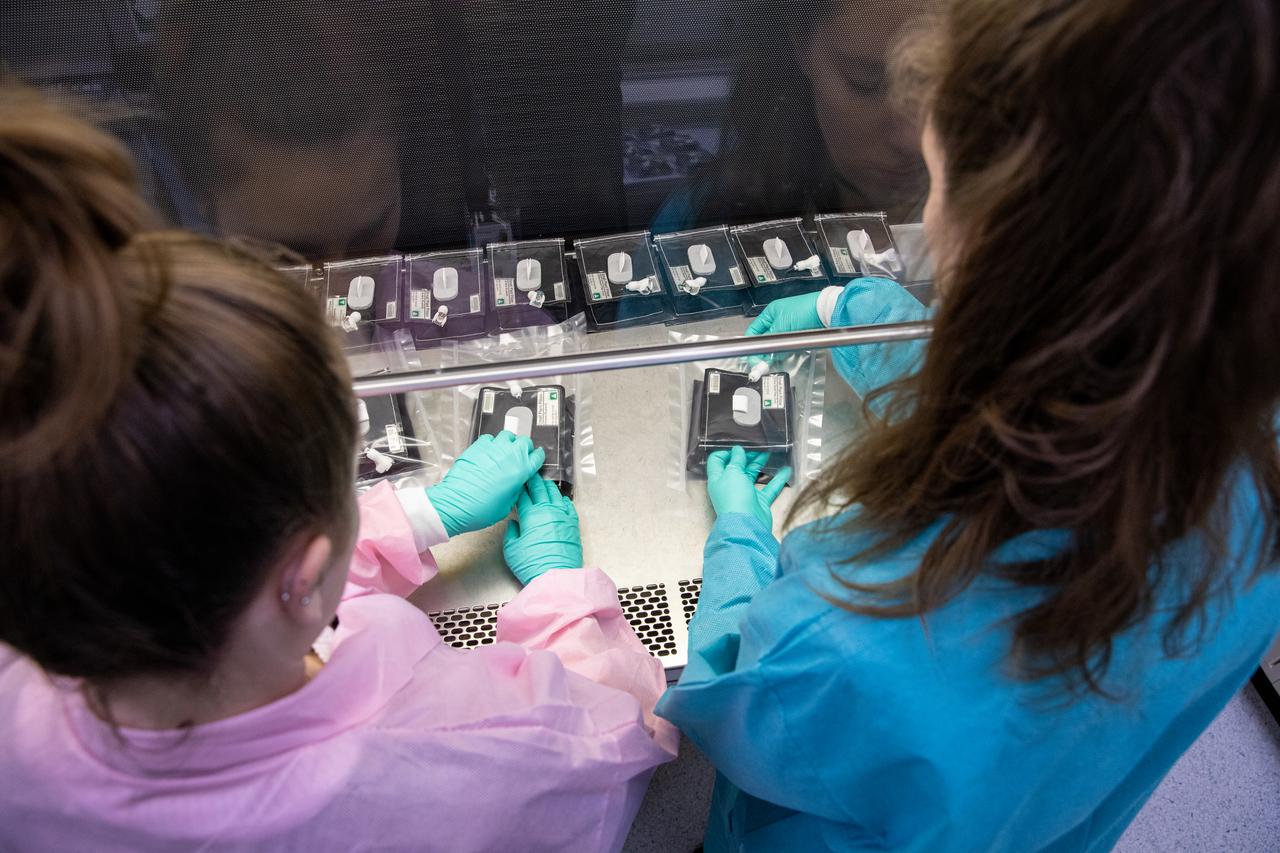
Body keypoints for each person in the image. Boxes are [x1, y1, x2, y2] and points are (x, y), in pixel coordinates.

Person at [657, 0, 1280, 850]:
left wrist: (737, 538)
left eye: (940, 174)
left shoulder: (851, 636)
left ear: (1001, 242)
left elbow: (734, 705)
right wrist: (852, 308)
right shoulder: (1254, 474)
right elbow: (1063, 388)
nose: (924, 214)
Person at [0, 85, 676, 850]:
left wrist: (427, 518)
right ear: (303, 573)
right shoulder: (467, 749)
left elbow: (222, 580)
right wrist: (561, 595)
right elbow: (622, 732)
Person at [652, 0, 932, 233]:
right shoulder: (700, 221)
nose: (913, 139)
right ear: (801, 44)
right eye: (866, 83)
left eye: (942, 88)